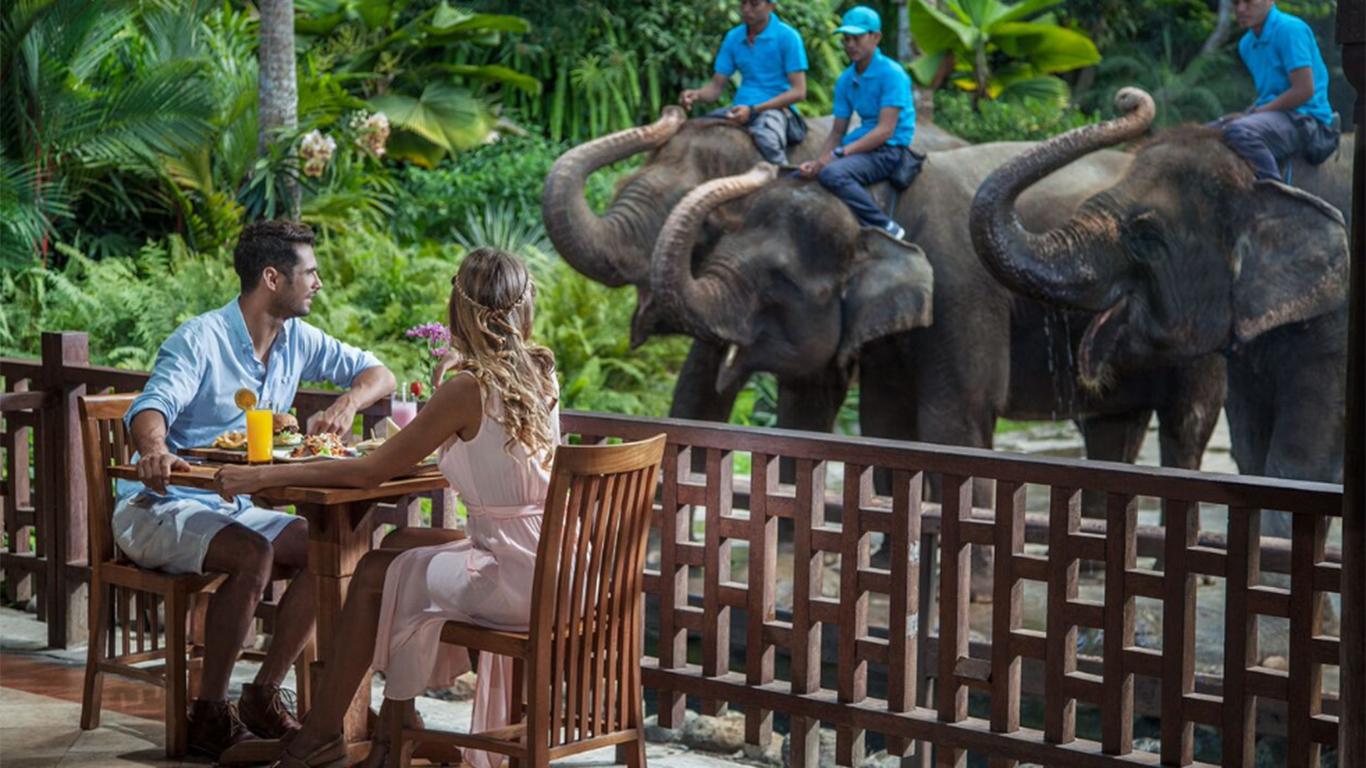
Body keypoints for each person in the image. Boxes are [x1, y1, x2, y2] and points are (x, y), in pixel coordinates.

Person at [214, 248, 561, 768]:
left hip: (516, 577)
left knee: (376, 570)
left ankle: (322, 736)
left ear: (458, 309)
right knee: (398, 547)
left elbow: (367, 472)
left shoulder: (468, 388)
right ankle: (395, 733)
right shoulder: (540, 371)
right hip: (556, 562)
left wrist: (262, 475)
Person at [120, 219, 396, 758]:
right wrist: (153, 449)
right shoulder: (200, 338)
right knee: (254, 554)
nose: (318, 283)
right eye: (310, 273)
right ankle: (209, 712)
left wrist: (346, 404)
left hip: (235, 504)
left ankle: (262, 695)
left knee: (325, 548)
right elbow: (151, 405)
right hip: (160, 504)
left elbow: (377, 372)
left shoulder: (298, 339)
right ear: (273, 278)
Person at [798, 6, 915, 240]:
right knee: (804, 177)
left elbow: (885, 130)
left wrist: (841, 153)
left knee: (834, 175)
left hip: (888, 149)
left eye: (857, 38)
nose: (850, 44)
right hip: (862, 142)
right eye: (846, 39)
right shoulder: (846, 79)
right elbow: (837, 130)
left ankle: (886, 227)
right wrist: (819, 161)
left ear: (876, 37)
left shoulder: (892, 74)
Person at [1215, 0, 1339, 181]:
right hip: (1275, 115)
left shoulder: (1290, 30)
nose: (1241, 9)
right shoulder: (1247, 44)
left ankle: (1274, 195)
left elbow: (1304, 90)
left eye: (1249, 2)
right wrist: (1249, 112)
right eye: (1236, 3)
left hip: (1306, 118)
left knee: (1240, 131)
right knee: (1208, 130)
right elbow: (1270, 92)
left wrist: (1258, 112)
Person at [680, 0, 809, 164]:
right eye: (743, 3)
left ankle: (782, 177)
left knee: (767, 139)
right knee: (694, 129)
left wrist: (754, 109)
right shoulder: (734, 37)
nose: (747, 10)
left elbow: (799, 92)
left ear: (771, 6)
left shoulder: (788, 37)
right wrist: (696, 95)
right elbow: (715, 87)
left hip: (776, 109)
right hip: (740, 108)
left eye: (754, 4)